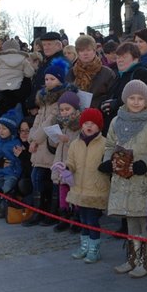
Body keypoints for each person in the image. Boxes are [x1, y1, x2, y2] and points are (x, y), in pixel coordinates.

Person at [101, 80, 147, 277]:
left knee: (144, 219)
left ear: (146, 100)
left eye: (140, 99)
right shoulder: (117, 120)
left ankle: (146, 262)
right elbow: (110, 143)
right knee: (130, 220)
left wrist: (144, 162)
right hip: (122, 178)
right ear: (125, 99)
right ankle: (132, 258)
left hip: (141, 177)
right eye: (132, 98)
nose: (136, 102)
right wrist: (108, 160)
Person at [24, 59, 75, 227]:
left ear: (60, 80)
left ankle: (52, 213)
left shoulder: (59, 99)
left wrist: (35, 140)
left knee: (51, 180)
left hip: (49, 144)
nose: (48, 82)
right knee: (37, 178)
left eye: (52, 79)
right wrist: (31, 138)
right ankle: (40, 211)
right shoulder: (44, 98)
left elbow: (49, 123)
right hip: (38, 145)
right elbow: (38, 119)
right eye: (46, 79)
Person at [62, 108, 110, 263]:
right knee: (82, 219)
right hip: (79, 188)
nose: (89, 126)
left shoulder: (105, 144)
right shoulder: (75, 143)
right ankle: (84, 246)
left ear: (99, 126)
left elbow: (109, 163)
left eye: (93, 124)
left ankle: (94, 248)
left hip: (95, 189)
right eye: (86, 123)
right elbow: (71, 161)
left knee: (92, 221)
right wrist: (67, 168)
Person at [49, 91, 82, 233]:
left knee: (74, 192)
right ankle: (64, 217)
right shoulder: (61, 125)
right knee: (62, 191)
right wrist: (54, 137)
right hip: (60, 163)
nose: (64, 112)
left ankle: (77, 218)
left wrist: (67, 141)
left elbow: (80, 145)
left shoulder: (79, 126)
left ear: (75, 109)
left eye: (67, 109)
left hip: (72, 165)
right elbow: (53, 144)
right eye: (62, 110)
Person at [100, 42, 147, 133]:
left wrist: (116, 104)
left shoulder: (141, 73)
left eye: (124, 57)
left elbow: (139, 99)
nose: (120, 60)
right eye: (118, 57)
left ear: (135, 59)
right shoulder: (119, 76)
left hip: (131, 127)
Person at [0, 108, 23, 218]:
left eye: (4, 128)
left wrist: (16, 172)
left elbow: (19, 161)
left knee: (6, 187)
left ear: (11, 130)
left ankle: (5, 204)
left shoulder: (16, 143)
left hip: (11, 174)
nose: (1, 131)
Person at [66, 34, 115, 109]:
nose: (85, 53)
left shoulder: (107, 73)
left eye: (88, 50)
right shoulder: (71, 72)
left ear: (94, 51)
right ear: (78, 53)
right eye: (82, 50)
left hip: (98, 114)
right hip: (75, 114)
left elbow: (111, 97)